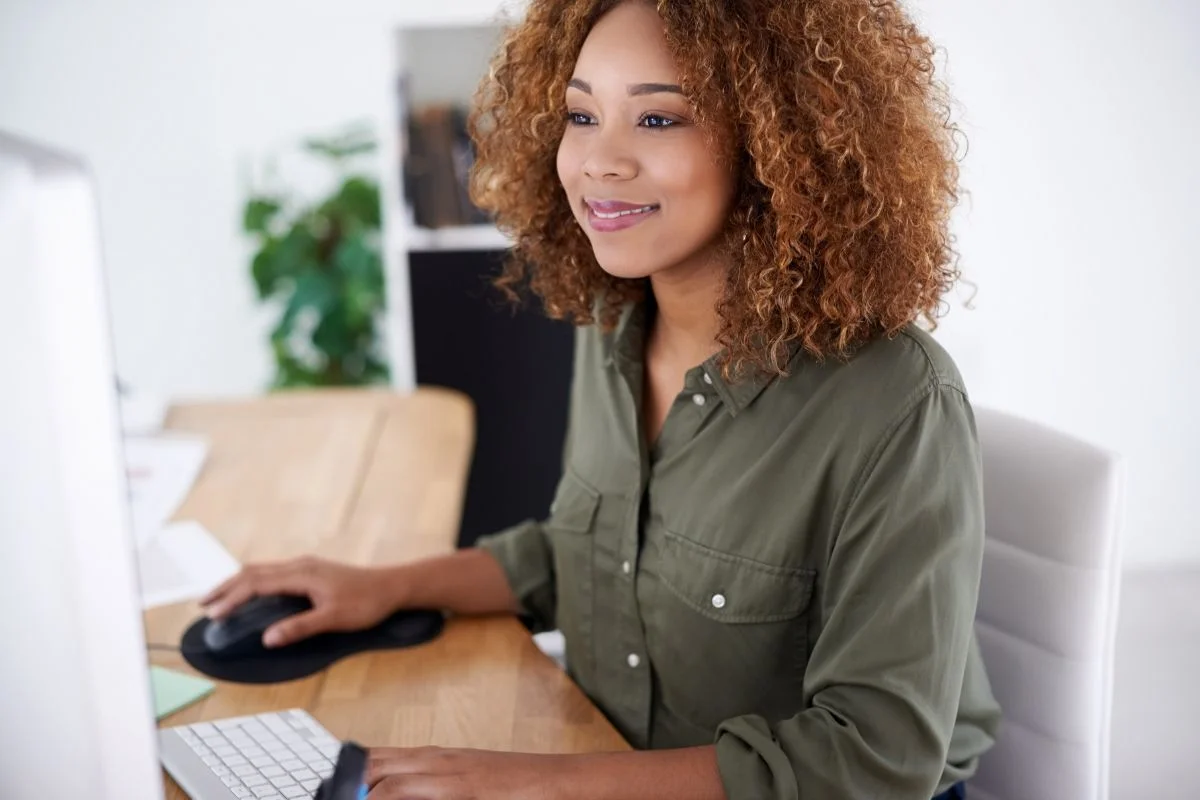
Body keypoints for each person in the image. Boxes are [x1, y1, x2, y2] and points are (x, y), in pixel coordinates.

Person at [202, 0, 1002, 797]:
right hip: (604, 756)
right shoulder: (615, 321)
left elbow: (875, 761)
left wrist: (531, 786)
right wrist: (384, 587)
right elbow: (593, 555)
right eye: (581, 115)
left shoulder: (895, 403)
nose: (598, 162)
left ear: (779, 144)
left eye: (658, 121)